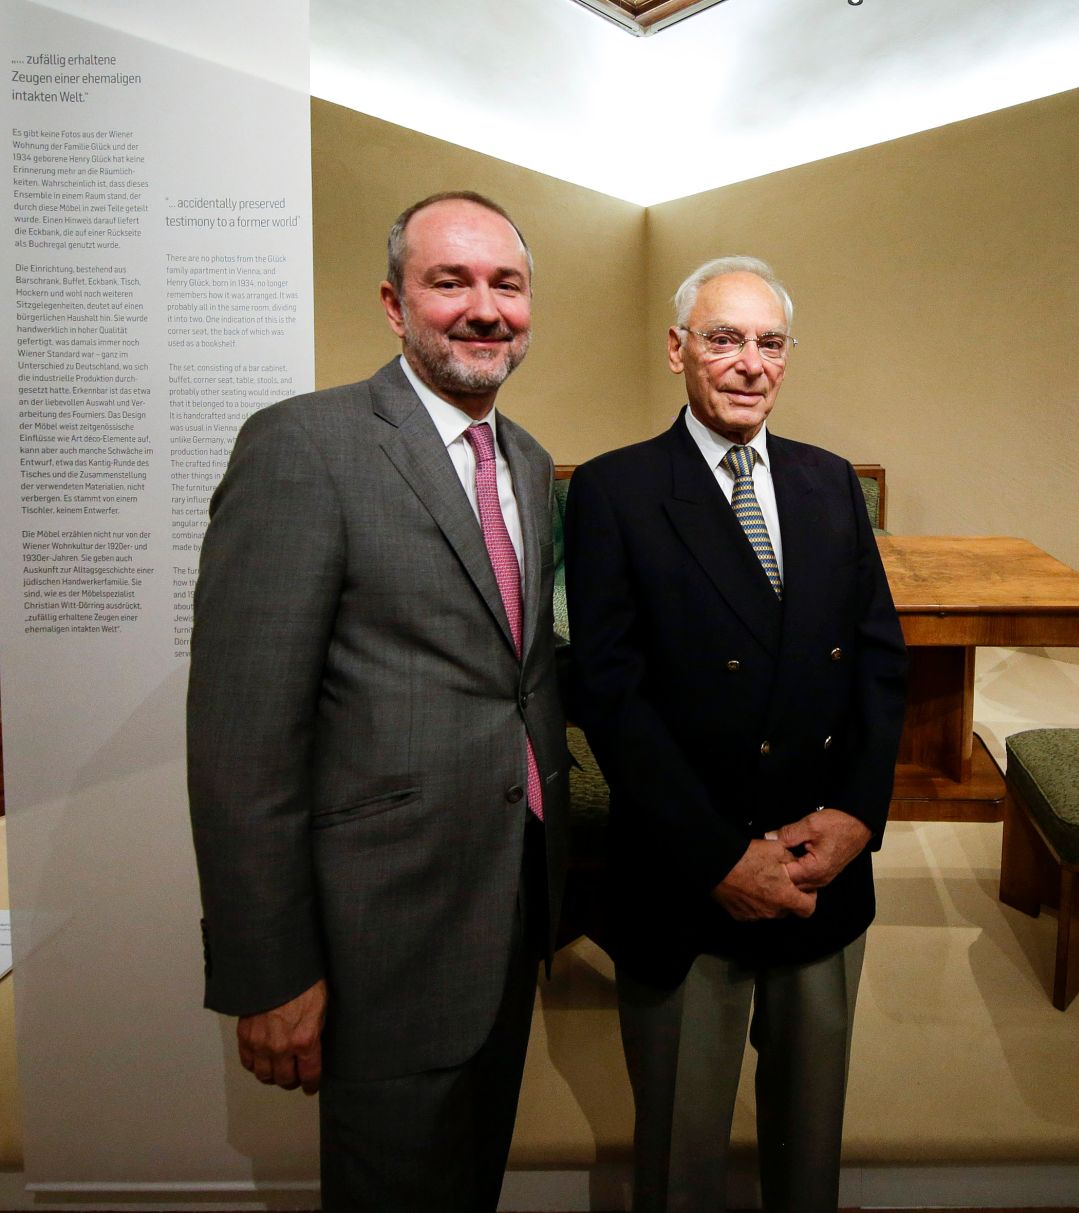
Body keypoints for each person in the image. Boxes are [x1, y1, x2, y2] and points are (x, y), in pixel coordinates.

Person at [186, 191, 569, 1212]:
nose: (485, 308)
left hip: (505, 906)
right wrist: (268, 970)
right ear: (394, 304)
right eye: (451, 282)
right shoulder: (302, 447)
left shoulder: (527, 462)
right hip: (380, 938)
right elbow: (240, 737)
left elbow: (514, 675)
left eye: (506, 283)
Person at [564, 256, 907, 1213]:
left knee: (809, 1156)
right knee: (680, 1156)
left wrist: (859, 817)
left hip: (821, 870)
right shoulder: (614, 490)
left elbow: (880, 664)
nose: (749, 363)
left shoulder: (830, 482)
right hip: (686, 875)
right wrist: (722, 856)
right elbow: (610, 693)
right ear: (678, 349)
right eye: (724, 338)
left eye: (769, 342)